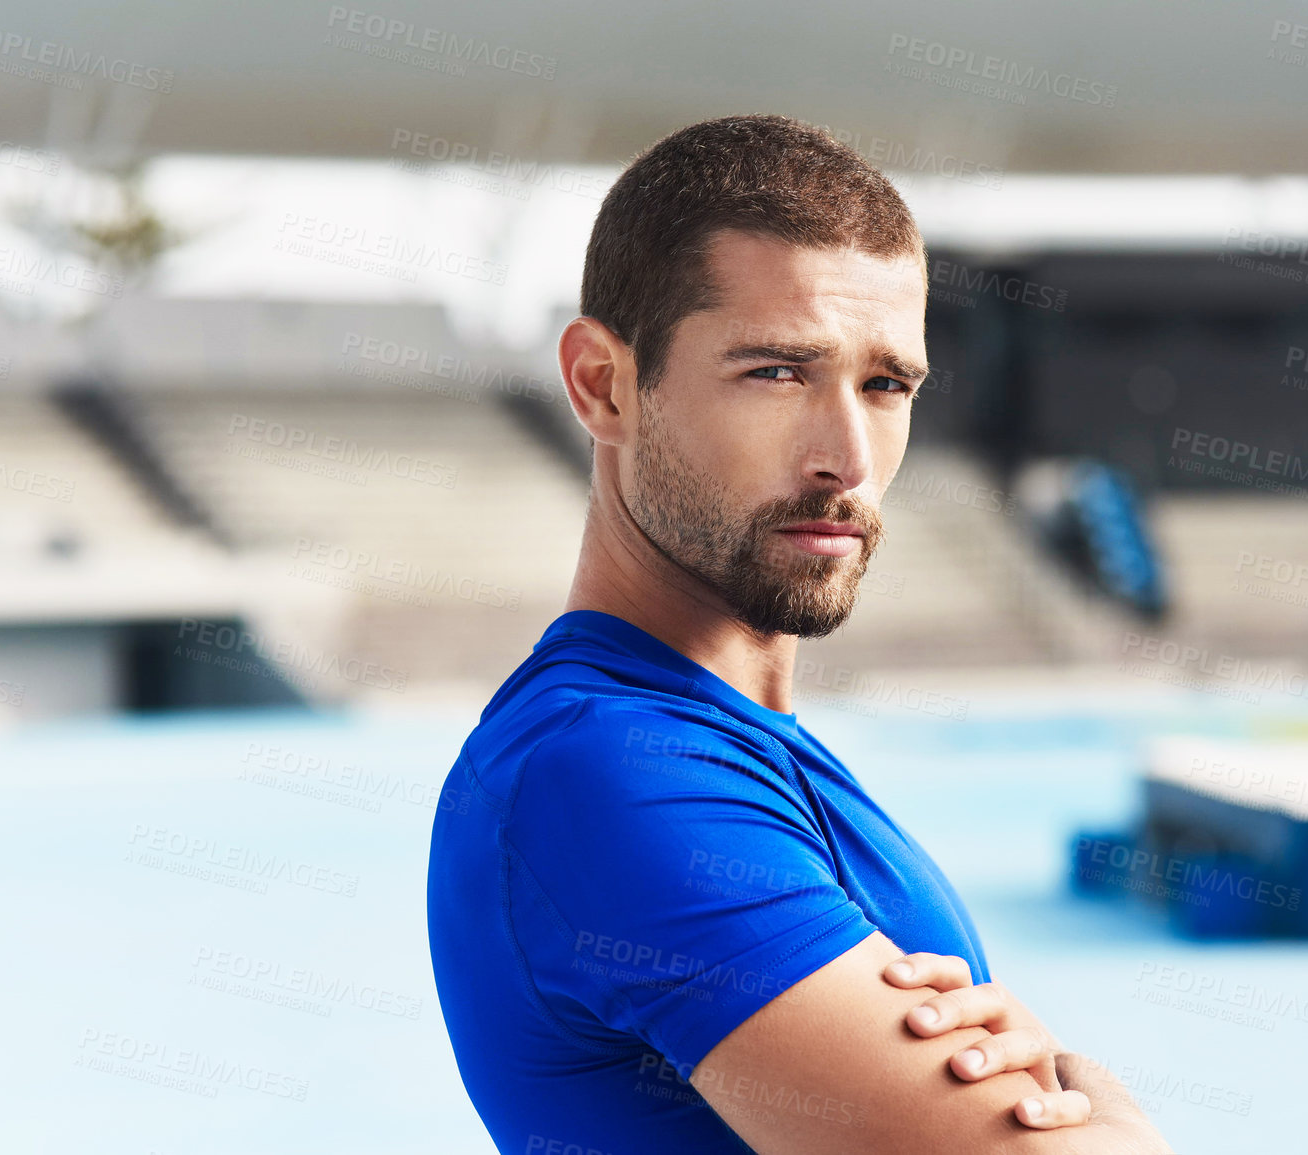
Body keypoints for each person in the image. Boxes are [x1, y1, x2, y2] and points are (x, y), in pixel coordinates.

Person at [426, 113, 1170, 1154]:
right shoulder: (611, 774)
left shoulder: (736, 749)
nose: (848, 457)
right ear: (604, 385)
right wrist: (1115, 1118)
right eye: (776, 373)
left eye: (886, 385)